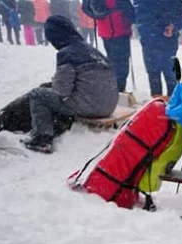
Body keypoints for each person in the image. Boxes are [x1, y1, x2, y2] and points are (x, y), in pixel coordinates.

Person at [21, 15, 116, 152]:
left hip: (91, 107)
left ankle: (42, 138)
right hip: (109, 105)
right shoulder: (91, 50)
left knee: (38, 95)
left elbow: (62, 91)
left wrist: (54, 81)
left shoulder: (67, 53)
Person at [134, 0, 182, 97]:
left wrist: (173, 26)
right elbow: (138, 18)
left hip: (165, 41)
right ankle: (158, 102)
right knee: (155, 74)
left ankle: (171, 102)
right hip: (151, 40)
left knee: (168, 73)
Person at [92, 0, 133, 92]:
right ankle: (119, 87)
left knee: (114, 60)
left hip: (107, 29)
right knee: (121, 61)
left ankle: (114, 87)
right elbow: (129, 10)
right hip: (119, 28)